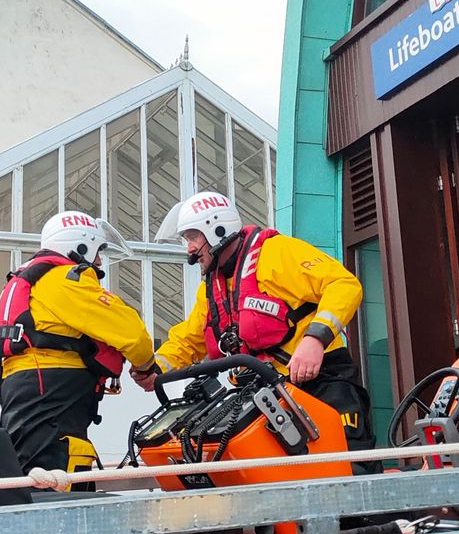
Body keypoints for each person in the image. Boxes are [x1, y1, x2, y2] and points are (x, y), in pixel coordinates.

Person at [132, 191, 381, 475]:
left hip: (322, 384)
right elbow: (190, 338)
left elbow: (344, 285)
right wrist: (155, 368)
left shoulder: (278, 253)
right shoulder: (213, 288)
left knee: (351, 468)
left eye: (192, 237)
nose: (189, 248)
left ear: (217, 230)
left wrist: (315, 339)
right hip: (265, 396)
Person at [0, 210, 155, 488]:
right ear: (81, 245)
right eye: (98, 251)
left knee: (34, 475)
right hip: (52, 396)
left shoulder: (29, 282)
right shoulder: (65, 279)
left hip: (24, 393)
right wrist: (146, 366)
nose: (100, 261)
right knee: (60, 476)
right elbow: (132, 332)